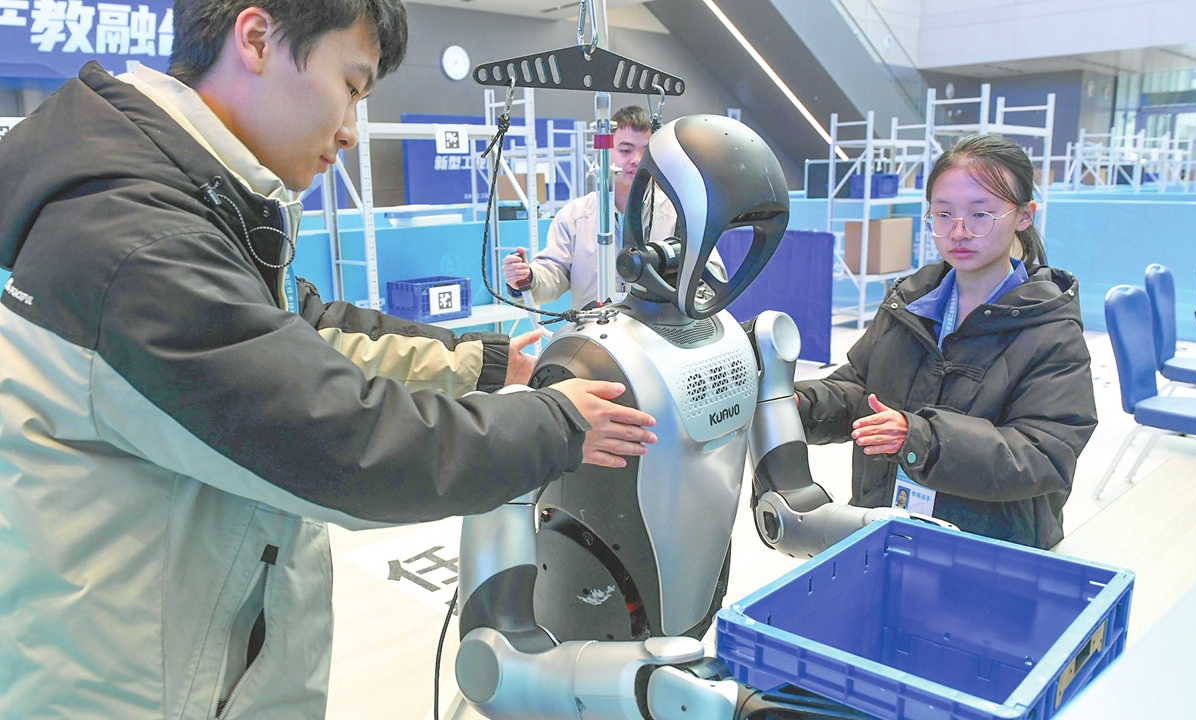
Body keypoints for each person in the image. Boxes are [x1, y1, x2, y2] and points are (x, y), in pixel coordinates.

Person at [0, 2, 657, 718]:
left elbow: (309, 330)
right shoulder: (136, 242)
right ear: (256, 39)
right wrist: (551, 426)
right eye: (351, 84)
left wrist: (492, 367)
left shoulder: (197, 206)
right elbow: (338, 441)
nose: (350, 130)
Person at [794, 135, 1097, 549]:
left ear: (1024, 216)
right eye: (943, 214)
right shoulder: (909, 302)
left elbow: (1044, 453)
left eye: (980, 215)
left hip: (988, 549)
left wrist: (920, 439)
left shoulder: (1051, 329)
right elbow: (859, 392)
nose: (958, 232)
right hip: (888, 526)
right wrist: (796, 405)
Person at [501, 105, 725, 310]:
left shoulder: (679, 214)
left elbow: (711, 276)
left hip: (659, 341)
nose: (637, 160)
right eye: (626, 151)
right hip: (595, 342)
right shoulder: (575, 216)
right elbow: (553, 274)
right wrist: (527, 278)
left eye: (645, 151)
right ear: (607, 153)